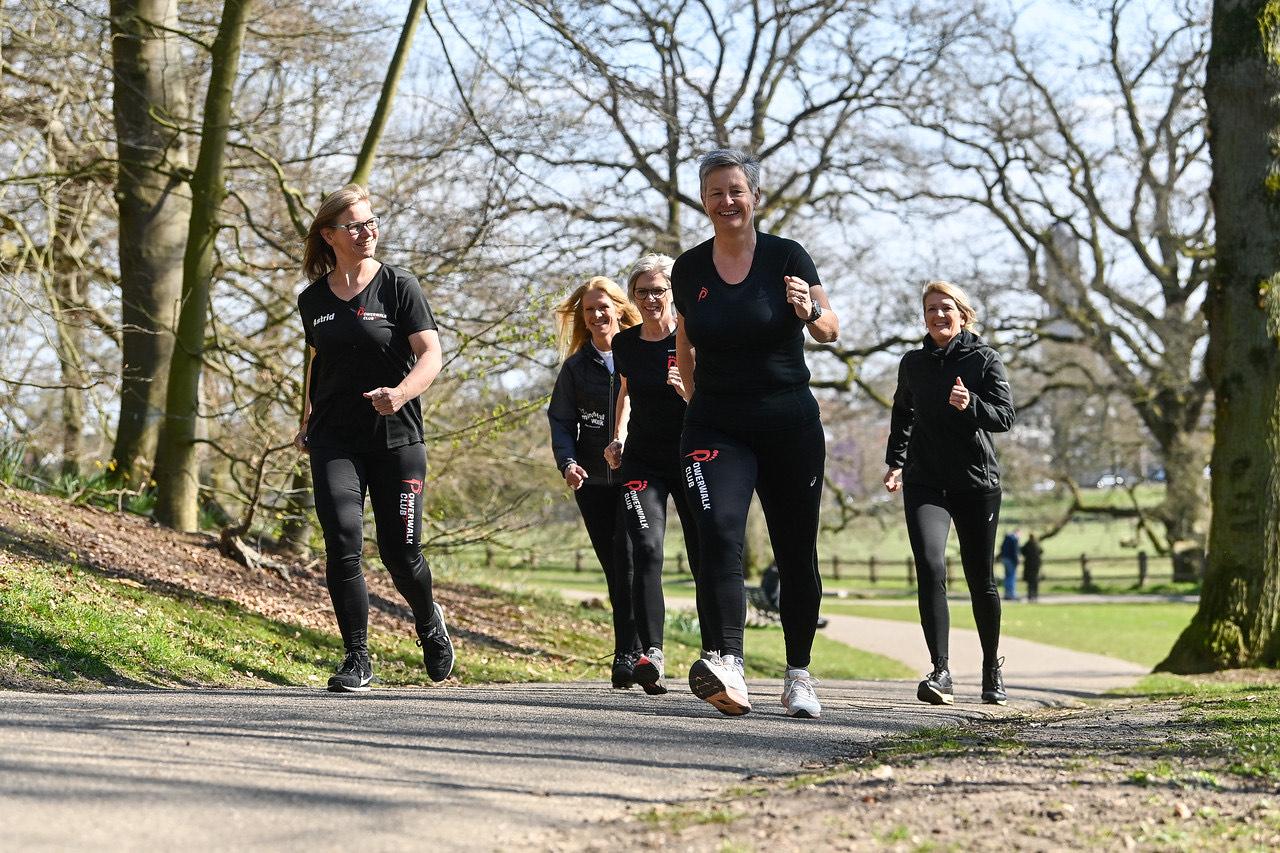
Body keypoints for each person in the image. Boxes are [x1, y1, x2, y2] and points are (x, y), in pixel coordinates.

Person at [671, 148, 840, 719]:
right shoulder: (689, 269)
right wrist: (695, 406)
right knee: (717, 528)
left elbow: (831, 329)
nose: (727, 201)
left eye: (736, 190)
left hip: (788, 421)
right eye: (715, 192)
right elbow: (684, 346)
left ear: (755, 197)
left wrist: (807, 312)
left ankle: (798, 674)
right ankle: (730, 666)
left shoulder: (787, 257)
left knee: (796, 550)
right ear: (704, 200)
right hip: (716, 422)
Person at [295, 183, 454, 692]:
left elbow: (431, 355)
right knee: (343, 544)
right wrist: (306, 417)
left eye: (371, 222)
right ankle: (357, 657)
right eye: (356, 225)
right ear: (329, 235)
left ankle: (428, 620)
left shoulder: (398, 286)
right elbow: (317, 363)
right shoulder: (312, 300)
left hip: (396, 438)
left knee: (401, 554)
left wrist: (401, 393)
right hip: (334, 440)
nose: (368, 231)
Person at [884, 280, 1015, 706]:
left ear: (962, 314)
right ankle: (941, 671)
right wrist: (895, 462)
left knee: (982, 580)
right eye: (930, 309)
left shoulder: (984, 359)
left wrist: (971, 404)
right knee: (930, 564)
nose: (937, 316)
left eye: (945, 308)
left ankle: (991, 668)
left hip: (975, 483)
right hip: (924, 481)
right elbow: (903, 412)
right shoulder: (913, 364)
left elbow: (1004, 417)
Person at [603, 253, 702, 696]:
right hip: (641, 460)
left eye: (658, 291)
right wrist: (617, 436)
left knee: (706, 557)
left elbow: (715, 400)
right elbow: (623, 394)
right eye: (641, 292)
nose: (649, 299)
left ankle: (719, 652)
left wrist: (689, 394)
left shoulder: (693, 336)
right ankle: (652, 655)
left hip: (692, 457)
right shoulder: (623, 345)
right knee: (645, 548)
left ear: (672, 294)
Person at [549, 276, 643, 688]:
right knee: (614, 566)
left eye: (603, 307)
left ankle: (631, 652)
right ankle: (636, 649)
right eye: (589, 310)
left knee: (630, 561)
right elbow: (561, 422)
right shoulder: (575, 368)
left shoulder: (641, 355)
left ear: (620, 310)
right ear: (582, 318)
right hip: (591, 482)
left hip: (636, 478)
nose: (597, 315)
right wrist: (567, 462)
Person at [999, 529, 1021, 601]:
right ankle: (1011, 594)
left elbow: (1001, 548)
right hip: (1011, 560)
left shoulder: (1007, 538)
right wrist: (1017, 560)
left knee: (1007, 576)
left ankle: (1007, 593)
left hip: (1004, 559)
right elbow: (1014, 551)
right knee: (1011, 576)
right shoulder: (1014, 539)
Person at [1021, 533, 1043, 602]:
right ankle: (1035, 595)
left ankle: (1030, 595)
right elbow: (1041, 551)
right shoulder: (1037, 545)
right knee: (1035, 580)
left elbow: (1022, 551)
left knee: (1030, 581)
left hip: (1028, 566)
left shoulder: (1027, 544)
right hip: (1036, 566)